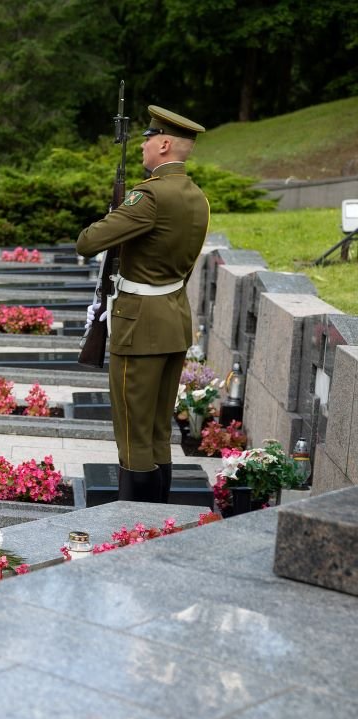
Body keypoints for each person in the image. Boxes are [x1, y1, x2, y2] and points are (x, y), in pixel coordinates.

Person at [76, 106, 209, 504]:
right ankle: (158, 518)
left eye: (148, 139)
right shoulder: (198, 198)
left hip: (138, 328)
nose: (142, 146)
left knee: (132, 435)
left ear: (165, 144)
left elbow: (88, 241)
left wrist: (117, 210)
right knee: (156, 432)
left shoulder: (149, 196)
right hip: (173, 321)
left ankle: (134, 524)